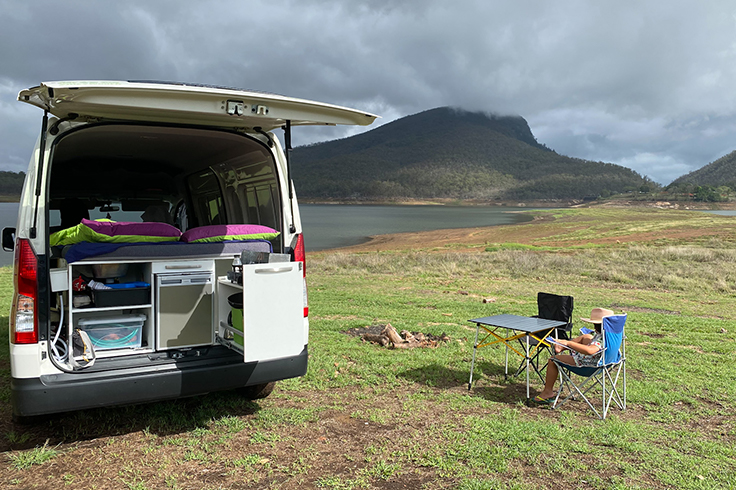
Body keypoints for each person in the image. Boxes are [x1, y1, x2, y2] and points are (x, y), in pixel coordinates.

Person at [534, 307, 614, 403]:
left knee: (552, 360)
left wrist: (569, 344)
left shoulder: (601, 339)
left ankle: (547, 392)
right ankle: (561, 346)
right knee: (587, 337)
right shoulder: (612, 334)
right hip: (608, 361)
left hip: (589, 365)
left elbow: (590, 350)